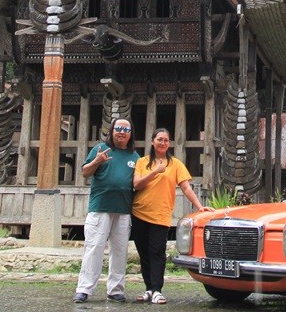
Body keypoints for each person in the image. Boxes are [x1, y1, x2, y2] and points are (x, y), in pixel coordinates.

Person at [131, 128, 212, 304]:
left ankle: (157, 289)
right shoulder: (142, 162)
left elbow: (186, 187)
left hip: (160, 214)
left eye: (166, 140)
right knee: (144, 253)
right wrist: (155, 171)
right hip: (139, 212)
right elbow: (136, 184)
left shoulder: (175, 164)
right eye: (159, 139)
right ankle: (148, 289)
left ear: (169, 143)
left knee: (157, 252)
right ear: (152, 141)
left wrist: (200, 207)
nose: (163, 143)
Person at [74, 117, 140, 304]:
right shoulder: (100, 149)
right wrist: (97, 160)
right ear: (112, 131)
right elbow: (85, 172)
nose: (121, 132)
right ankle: (84, 288)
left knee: (120, 250)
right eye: (118, 128)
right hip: (100, 207)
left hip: (123, 209)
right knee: (94, 247)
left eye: (125, 129)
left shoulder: (135, 157)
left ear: (130, 134)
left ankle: (116, 289)